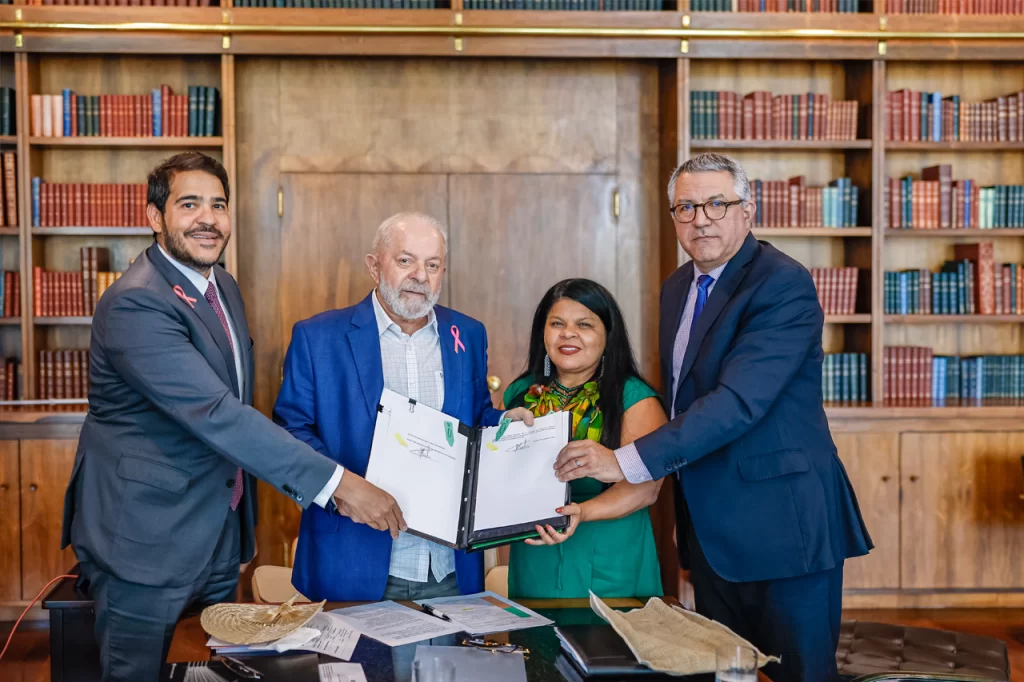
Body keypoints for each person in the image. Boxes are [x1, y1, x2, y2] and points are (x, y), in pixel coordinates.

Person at [60, 152, 402, 682]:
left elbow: (235, 406)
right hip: (145, 540)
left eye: (218, 205)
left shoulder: (221, 286)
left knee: (205, 673)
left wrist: (241, 534)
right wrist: (338, 484)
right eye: (189, 204)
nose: (209, 218)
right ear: (155, 217)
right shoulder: (136, 303)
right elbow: (217, 414)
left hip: (216, 532)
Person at [551, 152, 873, 682]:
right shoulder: (678, 287)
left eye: (717, 203)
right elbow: (682, 398)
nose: (701, 218)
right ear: (674, 216)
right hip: (710, 529)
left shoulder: (781, 284)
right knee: (724, 670)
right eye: (686, 206)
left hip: (782, 525)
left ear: (748, 211)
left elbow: (736, 402)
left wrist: (628, 460)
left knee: (802, 674)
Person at [273, 211, 533, 602]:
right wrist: (343, 490)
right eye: (405, 260)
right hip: (352, 562)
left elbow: (474, 417)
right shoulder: (318, 337)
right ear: (374, 267)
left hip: (447, 565)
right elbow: (291, 432)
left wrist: (503, 422)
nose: (420, 276)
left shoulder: (468, 334)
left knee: (448, 665)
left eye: (433, 265)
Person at [502, 278, 667, 600]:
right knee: (536, 647)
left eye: (585, 324)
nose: (568, 333)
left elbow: (647, 488)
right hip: (535, 558)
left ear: (608, 335)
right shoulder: (519, 393)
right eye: (557, 324)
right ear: (543, 333)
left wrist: (582, 512)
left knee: (607, 649)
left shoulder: (634, 398)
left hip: (608, 558)